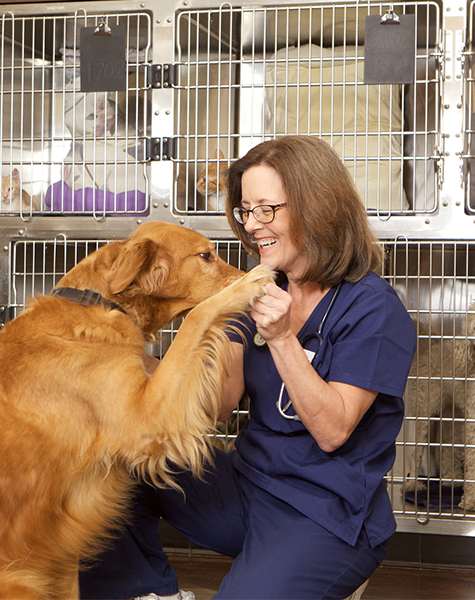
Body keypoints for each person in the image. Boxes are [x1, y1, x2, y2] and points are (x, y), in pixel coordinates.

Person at [79, 136, 417, 599]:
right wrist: (126, 359)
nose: (254, 225)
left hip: (325, 514)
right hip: (245, 487)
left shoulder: (374, 309)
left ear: (316, 207)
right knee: (106, 464)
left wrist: (280, 338)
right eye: (245, 211)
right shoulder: (258, 290)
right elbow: (218, 402)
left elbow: (334, 429)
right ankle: (147, 593)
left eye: (267, 210)